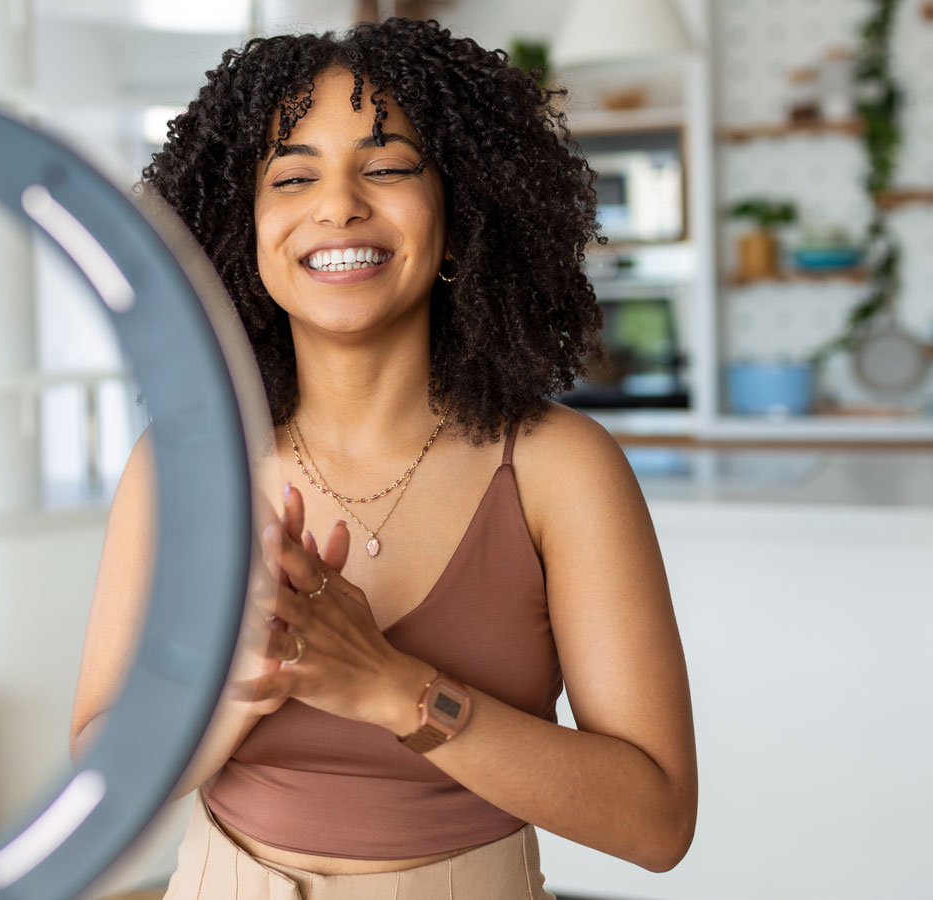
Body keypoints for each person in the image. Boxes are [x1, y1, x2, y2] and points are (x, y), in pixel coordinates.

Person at [69, 17, 696, 900]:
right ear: (244, 232)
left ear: (461, 210)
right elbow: (100, 774)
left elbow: (657, 821)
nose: (337, 206)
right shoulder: (180, 467)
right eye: (292, 176)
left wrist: (394, 689)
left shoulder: (560, 470)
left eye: (389, 166)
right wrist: (247, 683)